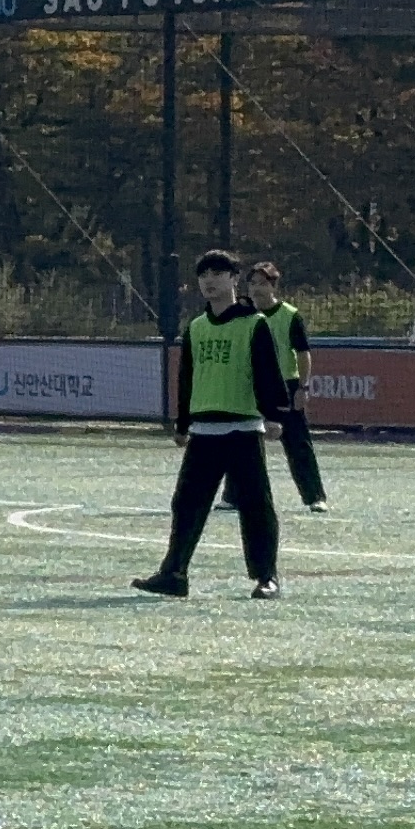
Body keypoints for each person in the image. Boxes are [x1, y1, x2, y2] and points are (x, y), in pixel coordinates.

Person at [136, 250, 290, 601]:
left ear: (234, 279)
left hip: (243, 430)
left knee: (255, 505)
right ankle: (174, 574)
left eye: (218, 273)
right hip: (204, 433)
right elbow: (187, 378)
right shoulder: (196, 327)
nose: (209, 281)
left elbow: (267, 371)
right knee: (186, 504)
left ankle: (267, 577)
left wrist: (273, 414)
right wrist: (182, 423)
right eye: (204, 275)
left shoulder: (254, 323)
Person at [245, 261, 328, 513]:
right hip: (252, 387)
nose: (257, 289)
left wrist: (303, 387)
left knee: (298, 443)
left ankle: (314, 496)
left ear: (273, 286)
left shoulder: (290, 315)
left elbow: (303, 353)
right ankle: (235, 495)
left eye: (263, 283)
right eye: (253, 283)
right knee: (243, 442)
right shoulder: (243, 315)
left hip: (286, 386)